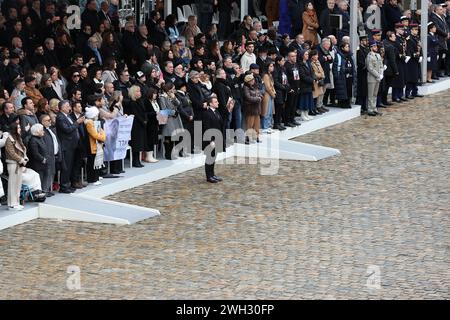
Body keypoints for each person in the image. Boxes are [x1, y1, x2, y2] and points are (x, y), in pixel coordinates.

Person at [55, 100, 85, 194]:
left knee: (70, 166)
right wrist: (78, 122)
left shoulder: (67, 116)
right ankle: (63, 186)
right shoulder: (60, 117)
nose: (69, 108)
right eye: (68, 106)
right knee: (66, 167)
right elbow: (67, 129)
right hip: (66, 145)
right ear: (62, 107)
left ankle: (68, 184)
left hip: (72, 144)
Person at [4, 121, 28, 210]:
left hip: (20, 164)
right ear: (14, 129)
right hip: (13, 164)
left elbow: (23, 149)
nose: (20, 129)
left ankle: (16, 202)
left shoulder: (18, 138)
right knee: (12, 184)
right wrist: (21, 159)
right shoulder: (9, 139)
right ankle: (11, 204)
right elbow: (11, 152)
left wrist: (25, 158)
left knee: (18, 184)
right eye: (18, 128)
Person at [202, 95, 224, 183]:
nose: (218, 103)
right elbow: (207, 128)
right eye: (215, 102)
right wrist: (210, 141)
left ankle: (212, 174)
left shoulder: (217, 112)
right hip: (210, 140)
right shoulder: (207, 114)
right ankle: (209, 176)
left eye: (217, 101)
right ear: (210, 104)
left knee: (213, 157)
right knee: (209, 158)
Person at [159, 82, 183, 160]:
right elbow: (163, 110)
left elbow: (179, 104)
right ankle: (168, 153)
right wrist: (173, 112)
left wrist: (174, 98)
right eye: (173, 89)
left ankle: (177, 151)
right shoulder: (162, 97)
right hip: (168, 119)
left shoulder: (172, 96)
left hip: (176, 118)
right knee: (169, 136)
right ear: (168, 90)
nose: (174, 90)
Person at [127, 85, 148, 168]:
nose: (140, 93)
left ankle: (138, 160)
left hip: (141, 124)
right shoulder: (132, 103)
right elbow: (136, 114)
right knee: (136, 143)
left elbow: (144, 112)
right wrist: (143, 121)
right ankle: (135, 161)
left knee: (140, 143)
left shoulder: (140, 101)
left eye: (140, 91)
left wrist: (145, 120)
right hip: (135, 125)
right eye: (137, 91)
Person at [84, 106, 106, 185]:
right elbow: (94, 134)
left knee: (97, 161)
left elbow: (101, 131)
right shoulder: (89, 123)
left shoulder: (96, 122)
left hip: (97, 144)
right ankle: (92, 179)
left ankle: (96, 176)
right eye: (96, 114)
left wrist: (102, 136)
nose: (97, 116)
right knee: (92, 162)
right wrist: (102, 137)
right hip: (91, 145)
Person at [40, 114, 58, 196]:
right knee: (47, 173)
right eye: (48, 120)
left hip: (53, 154)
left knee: (51, 172)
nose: (50, 121)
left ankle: (47, 189)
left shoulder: (50, 129)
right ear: (42, 122)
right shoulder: (42, 131)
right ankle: (44, 190)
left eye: (50, 119)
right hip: (47, 155)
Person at [333, 43, 355, 108]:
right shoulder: (338, 56)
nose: (348, 48)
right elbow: (336, 66)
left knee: (348, 90)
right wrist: (345, 70)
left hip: (349, 76)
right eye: (346, 47)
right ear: (342, 48)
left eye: (348, 47)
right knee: (342, 91)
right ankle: (342, 103)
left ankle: (348, 102)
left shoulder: (350, 55)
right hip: (342, 76)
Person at [243, 73, 263, 144]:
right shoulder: (245, 87)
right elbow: (248, 97)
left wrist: (260, 96)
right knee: (250, 124)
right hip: (250, 109)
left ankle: (256, 137)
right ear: (248, 81)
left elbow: (259, 93)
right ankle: (247, 138)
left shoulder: (255, 86)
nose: (253, 81)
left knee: (257, 124)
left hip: (257, 108)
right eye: (251, 80)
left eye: (253, 79)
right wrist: (258, 99)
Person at [366, 40, 384, 117]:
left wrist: (381, 73)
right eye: (374, 46)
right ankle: (370, 109)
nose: (376, 47)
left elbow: (381, 65)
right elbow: (370, 68)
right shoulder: (369, 56)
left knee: (375, 94)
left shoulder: (378, 55)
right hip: (372, 78)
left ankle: (374, 108)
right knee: (370, 94)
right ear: (371, 47)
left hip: (378, 77)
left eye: (376, 46)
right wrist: (378, 75)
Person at [284, 50, 302, 127]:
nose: (294, 57)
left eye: (295, 56)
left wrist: (298, 87)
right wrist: (289, 88)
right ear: (288, 57)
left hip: (296, 87)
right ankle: (287, 121)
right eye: (292, 56)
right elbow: (285, 79)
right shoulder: (286, 66)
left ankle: (292, 119)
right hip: (290, 88)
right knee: (289, 105)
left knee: (294, 105)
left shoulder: (296, 64)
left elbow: (298, 76)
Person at [143, 88, 160, 163]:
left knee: (153, 139)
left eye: (156, 93)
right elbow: (145, 113)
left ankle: (151, 155)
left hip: (155, 122)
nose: (155, 95)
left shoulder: (155, 101)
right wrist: (155, 113)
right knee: (150, 140)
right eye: (154, 93)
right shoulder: (146, 101)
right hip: (149, 123)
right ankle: (148, 156)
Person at [298, 49, 316, 121]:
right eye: (306, 54)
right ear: (302, 56)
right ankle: (303, 114)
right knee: (304, 100)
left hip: (309, 85)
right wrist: (312, 80)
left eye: (307, 54)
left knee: (308, 100)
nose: (307, 56)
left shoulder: (308, 63)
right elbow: (302, 76)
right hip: (304, 85)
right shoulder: (300, 64)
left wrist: (314, 78)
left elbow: (312, 72)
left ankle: (306, 113)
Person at [273, 56, 289, 131]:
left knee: (281, 107)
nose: (284, 61)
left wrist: (287, 86)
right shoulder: (275, 69)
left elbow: (286, 78)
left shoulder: (283, 68)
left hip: (283, 90)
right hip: (278, 91)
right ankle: (276, 123)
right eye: (282, 60)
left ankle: (279, 123)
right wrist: (283, 87)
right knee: (278, 107)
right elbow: (275, 81)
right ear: (278, 61)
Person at [310, 50, 327, 114]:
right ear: (312, 56)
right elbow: (314, 73)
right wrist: (321, 75)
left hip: (320, 80)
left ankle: (317, 108)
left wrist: (322, 75)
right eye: (316, 55)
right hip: (315, 81)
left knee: (318, 95)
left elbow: (321, 70)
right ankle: (313, 109)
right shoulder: (311, 63)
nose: (317, 56)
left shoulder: (318, 61)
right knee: (314, 95)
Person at [261, 61, 276, 133]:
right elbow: (267, 87)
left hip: (271, 95)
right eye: (270, 66)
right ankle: (265, 126)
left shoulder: (270, 75)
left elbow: (272, 85)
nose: (272, 67)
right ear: (267, 67)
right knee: (266, 111)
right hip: (267, 95)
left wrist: (274, 92)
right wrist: (273, 94)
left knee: (270, 111)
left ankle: (269, 125)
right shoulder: (265, 76)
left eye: (272, 66)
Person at [356, 35, 370, 112]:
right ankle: (360, 105)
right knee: (361, 89)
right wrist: (365, 66)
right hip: (362, 72)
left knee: (366, 90)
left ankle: (364, 105)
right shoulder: (359, 50)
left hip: (367, 72)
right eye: (365, 40)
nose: (366, 42)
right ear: (361, 41)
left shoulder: (367, 49)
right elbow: (359, 61)